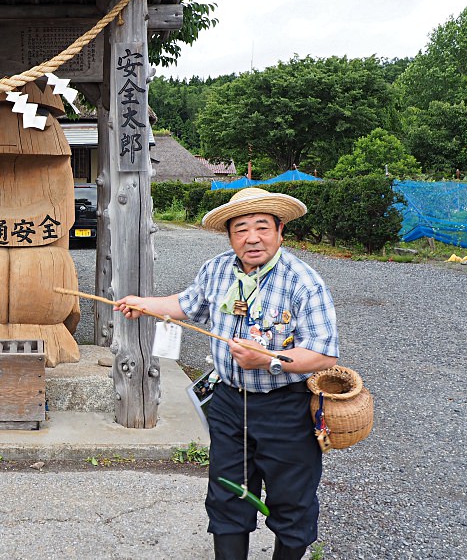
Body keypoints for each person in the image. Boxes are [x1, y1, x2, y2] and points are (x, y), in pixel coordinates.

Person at [115, 187, 339, 560]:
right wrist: (144, 305)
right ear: (230, 235)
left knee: (291, 502)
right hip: (229, 403)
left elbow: (322, 354)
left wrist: (268, 360)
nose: (252, 238)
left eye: (262, 227)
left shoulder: (303, 281)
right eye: (241, 229)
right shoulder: (217, 269)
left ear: (281, 231)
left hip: (287, 410)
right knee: (227, 494)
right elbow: (186, 304)